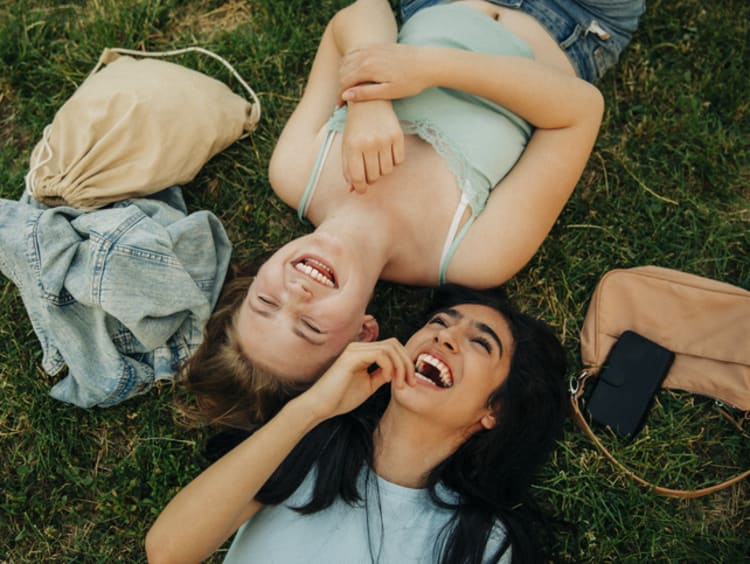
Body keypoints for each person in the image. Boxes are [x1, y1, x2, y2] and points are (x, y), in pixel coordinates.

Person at [180, 0, 644, 429]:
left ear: (257, 276)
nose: (296, 295)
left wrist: (370, 100)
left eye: (266, 303)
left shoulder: (297, 170)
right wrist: (429, 67)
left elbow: (361, 13)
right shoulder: (471, 257)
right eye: (310, 327)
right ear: (364, 331)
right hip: (573, 21)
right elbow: (580, 110)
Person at [147, 285, 568, 563]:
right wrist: (311, 408)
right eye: (439, 322)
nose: (443, 336)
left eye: (480, 342)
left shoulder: (483, 542)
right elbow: (168, 552)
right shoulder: (311, 440)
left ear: (493, 409)